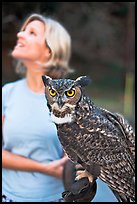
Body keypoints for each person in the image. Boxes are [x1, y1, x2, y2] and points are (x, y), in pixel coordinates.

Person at [2, 13, 118, 202]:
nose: (20, 35)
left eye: (31, 33)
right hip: (7, 196)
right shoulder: (7, 94)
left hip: (54, 198)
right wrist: (44, 168)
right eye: (23, 31)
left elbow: (78, 158)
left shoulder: (72, 101)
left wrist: (84, 172)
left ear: (49, 50)